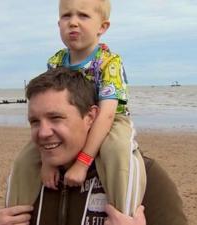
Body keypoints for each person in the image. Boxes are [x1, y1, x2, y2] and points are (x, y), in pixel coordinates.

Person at [0, 68, 187, 225]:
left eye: (56, 118)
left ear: (90, 117)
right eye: (34, 121)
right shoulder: (27, 178)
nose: (43, 132)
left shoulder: (143, 176)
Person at [12, 0, 145, 216]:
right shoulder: (57, 61)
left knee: (118, 151)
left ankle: (125, 212)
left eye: (83, 16)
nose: (73, 22)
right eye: (66, 16)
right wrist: (47, 161)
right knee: (24, 159)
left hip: (108, 120)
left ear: (102, 27)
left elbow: (107, 113)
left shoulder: (109, 62)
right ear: (58, 24)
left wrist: (83, 162)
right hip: (69, 122)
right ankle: (15, 213)